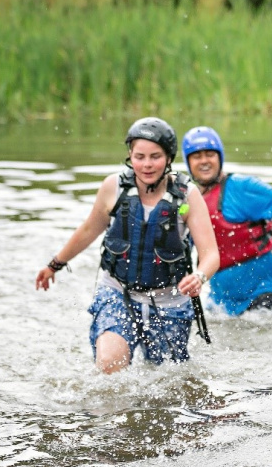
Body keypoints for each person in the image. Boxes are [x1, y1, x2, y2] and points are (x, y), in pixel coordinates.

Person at [35, 117, 220, 374]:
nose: (146, 164)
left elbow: (211, 254)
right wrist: (55, 265)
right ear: (129, 155)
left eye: (155, 156)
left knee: (167, 381)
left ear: (169, 157)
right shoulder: (113, 187)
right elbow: (89, 229)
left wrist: (200, 276)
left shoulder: (187, 195)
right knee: (110, 365)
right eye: (139, 156)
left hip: (169, 302)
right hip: (118, 293)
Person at [181, 126, 272, 315]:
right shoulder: (186, 201)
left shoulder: (243, 187)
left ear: (220, 158)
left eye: (210, 155)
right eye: (197, 156)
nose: (204, 161)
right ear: (188, 162)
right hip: (221, 299)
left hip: (265, 289)